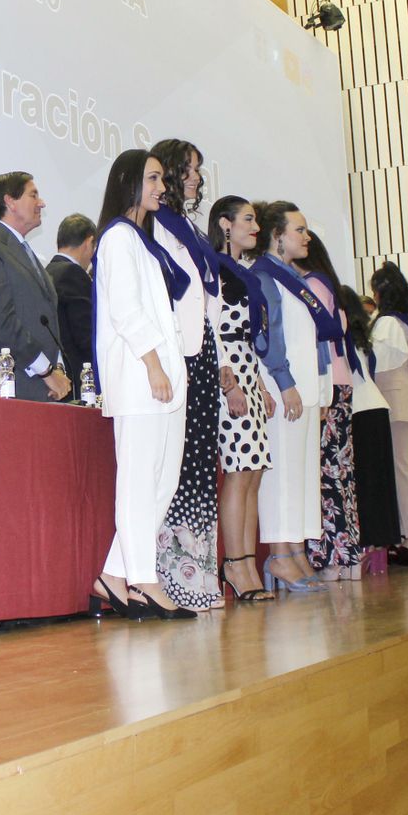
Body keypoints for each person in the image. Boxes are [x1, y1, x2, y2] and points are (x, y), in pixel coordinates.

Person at [90, 150, 194, 621]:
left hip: (167, 377)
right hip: (140, 376)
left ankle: (113, 572)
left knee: (163, 481)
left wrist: (169, 369)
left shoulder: (142, 240)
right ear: (130, 181)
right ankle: (143, 580)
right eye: (153, 178)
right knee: (137, 481)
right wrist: (153, 365)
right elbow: (126, 312)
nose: (161, 187)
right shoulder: (116, 237)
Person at [147, 139, 222, 611]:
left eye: (197, 169)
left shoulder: (189, 228)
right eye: (188, 170)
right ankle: (175, 575)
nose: (196, 178)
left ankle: (200, 571)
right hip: (177, 354)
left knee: (198, 461)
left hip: (204, 351)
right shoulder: (154, 225)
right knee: (178, 464)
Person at [249, 201, 330, 593]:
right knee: (281, 473)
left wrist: (322, 384)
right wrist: (284, 382)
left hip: (305, 389)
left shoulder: (294, 278)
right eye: (299, 229)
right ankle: (280, 556)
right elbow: (268, 336)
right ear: (277, 235)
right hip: (284, 389)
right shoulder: (264, 275)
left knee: (301, 475)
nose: (306, 236)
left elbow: (315, 337)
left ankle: (296, 550)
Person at [206, 195, 277, 602]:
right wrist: (229, 384)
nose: (256, 227)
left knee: (254, 471)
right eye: (248, 220)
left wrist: (260, 386)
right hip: (226, 371)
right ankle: (235, 564)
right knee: (238, 469)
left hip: (247, 368)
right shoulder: (214, 267)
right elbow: (210, 326)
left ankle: (246, 562)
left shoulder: (242, 270)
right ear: (225, 224)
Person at [0, 172, 70, 402]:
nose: (41, 203)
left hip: (45, 390)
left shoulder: (29, 254)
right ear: (10, 201)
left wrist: (58, 368)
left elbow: (48, 321)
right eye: (33, 195)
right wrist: (46, 370)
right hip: (9, 387)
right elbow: (0, 320)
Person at [295, 233, 362, 580]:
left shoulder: (311, 285)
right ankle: (346, 553)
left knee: (327, 472)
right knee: (339, 470)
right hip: (340, 381)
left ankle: (331, 555)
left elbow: (319, 335)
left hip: (328, 384)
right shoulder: (327, 283)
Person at [370, 262, 408, 565]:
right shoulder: (401, 321)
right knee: (401, 470)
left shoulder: (388, 323)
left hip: (397, 400)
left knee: (401, 470)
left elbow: (378, 362)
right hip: (405, 399)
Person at [338, 285, 401, 569]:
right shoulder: (363, 339)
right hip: (377, 406)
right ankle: (381, 544)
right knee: (381, 481)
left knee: (364, 481)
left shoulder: (341, 339)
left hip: (360, 410)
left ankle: (368, 542)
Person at [46, 213, 97, 396]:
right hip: (77, 380)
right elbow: (86, 335)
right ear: (88, 242)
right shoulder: (74, 274)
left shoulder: (46, 271)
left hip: (54, 373)